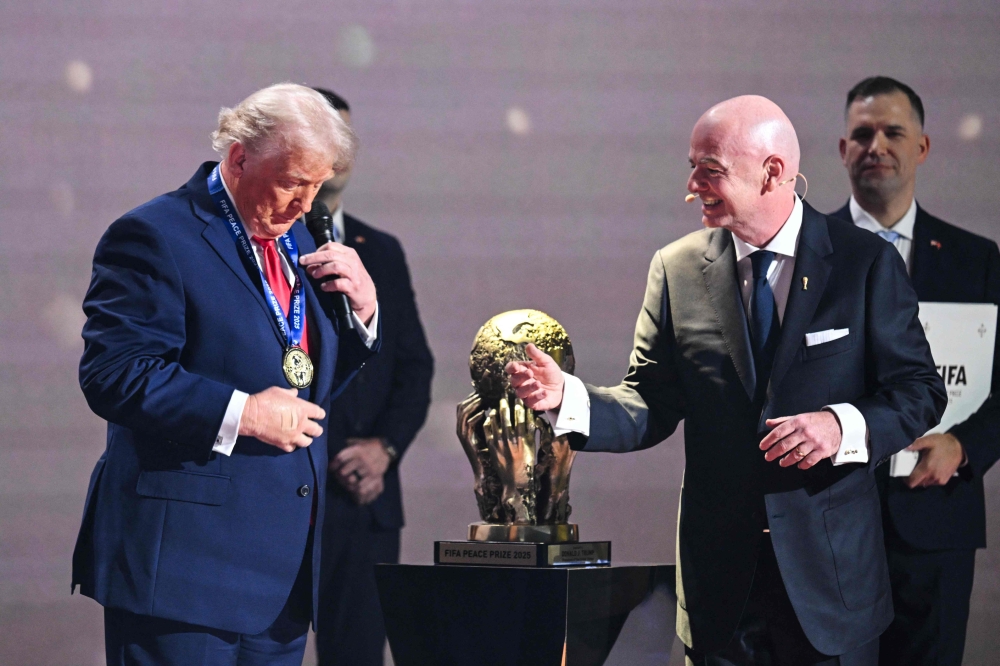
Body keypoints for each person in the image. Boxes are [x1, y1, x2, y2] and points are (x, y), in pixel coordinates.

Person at [503, 95, 946, 665]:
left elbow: (918, 391)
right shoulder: (676, 268)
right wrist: (570, 398)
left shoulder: (865, 262)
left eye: (710, 170)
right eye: (692, 167)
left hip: (832, 589)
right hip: (718, 594)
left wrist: (842, 427)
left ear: (773, 172)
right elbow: (648, 402)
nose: (692, 186)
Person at [71, 83, 381, 666]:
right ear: (238, 158)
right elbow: (116, 374)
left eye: (318, 185)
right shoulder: (155, 234)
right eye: (292, 181)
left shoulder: (299, 238)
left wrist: (362, 318)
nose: (304, 204)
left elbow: (303, 380)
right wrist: (244, 413)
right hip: (183, 573)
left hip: (281, 579)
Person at [830, 76, 1000, 666]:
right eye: (862, 134)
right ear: (843, 150)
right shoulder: (805, 252)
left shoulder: (976, 260)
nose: (876, 145)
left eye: (893, 132)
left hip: (935, 516)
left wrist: (964, 445)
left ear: (922, 147)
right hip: (828, 523)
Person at [310, 87, 435, 666]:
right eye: (324, 135)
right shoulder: (262, 244)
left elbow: (414, 364)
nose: (338, 151)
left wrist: (383, 450)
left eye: (346, 137)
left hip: (367, 501)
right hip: (292, 487)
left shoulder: (380, 249)